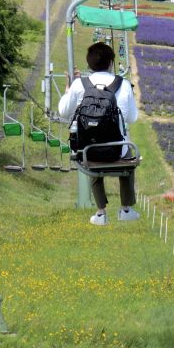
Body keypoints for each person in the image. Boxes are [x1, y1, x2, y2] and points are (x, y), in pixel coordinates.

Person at [57, 41, 140, 226]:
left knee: (91, 140)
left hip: (90, 151)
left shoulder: (80, 85)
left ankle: (101, 211)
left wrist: (68, 90)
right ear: (111, 62)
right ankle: (126, 208)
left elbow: (63, 110)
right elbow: (133, 117)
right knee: (127, 159)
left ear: (89, 64)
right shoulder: (124, 85)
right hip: (119, 150)